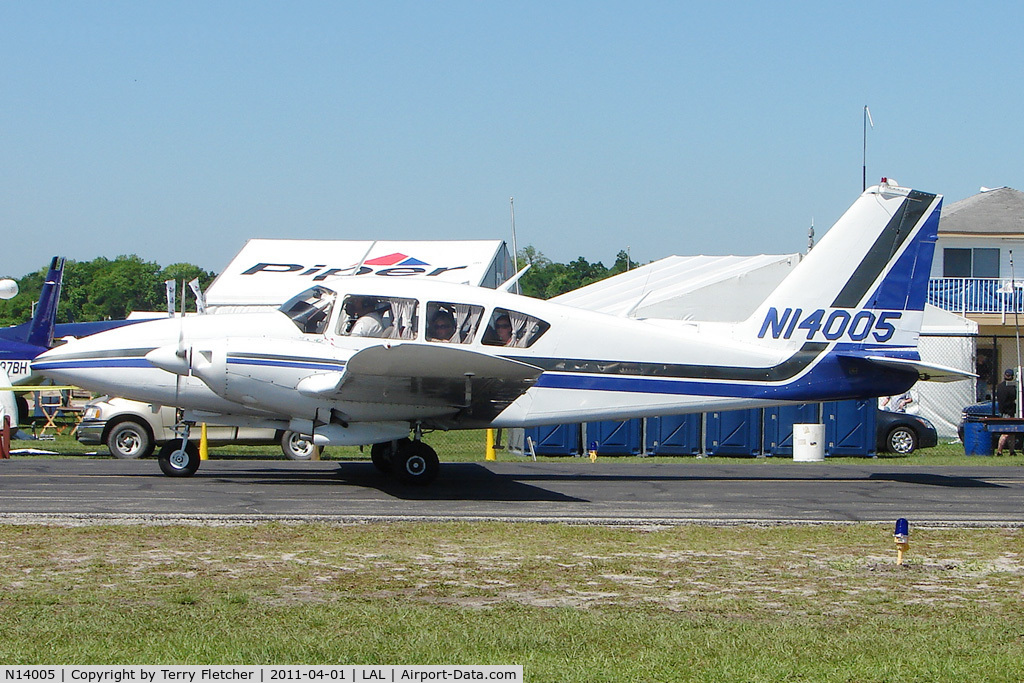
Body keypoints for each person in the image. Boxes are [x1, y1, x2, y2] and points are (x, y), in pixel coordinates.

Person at [996, 368, 1018, 455]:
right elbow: (1013, 397)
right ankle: (999, 451)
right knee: (1005, 432)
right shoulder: (1011, 387)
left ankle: (1012, 451)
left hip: (1004, 411)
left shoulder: (1000, 386)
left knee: (1011, 433)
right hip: (1008, 412)